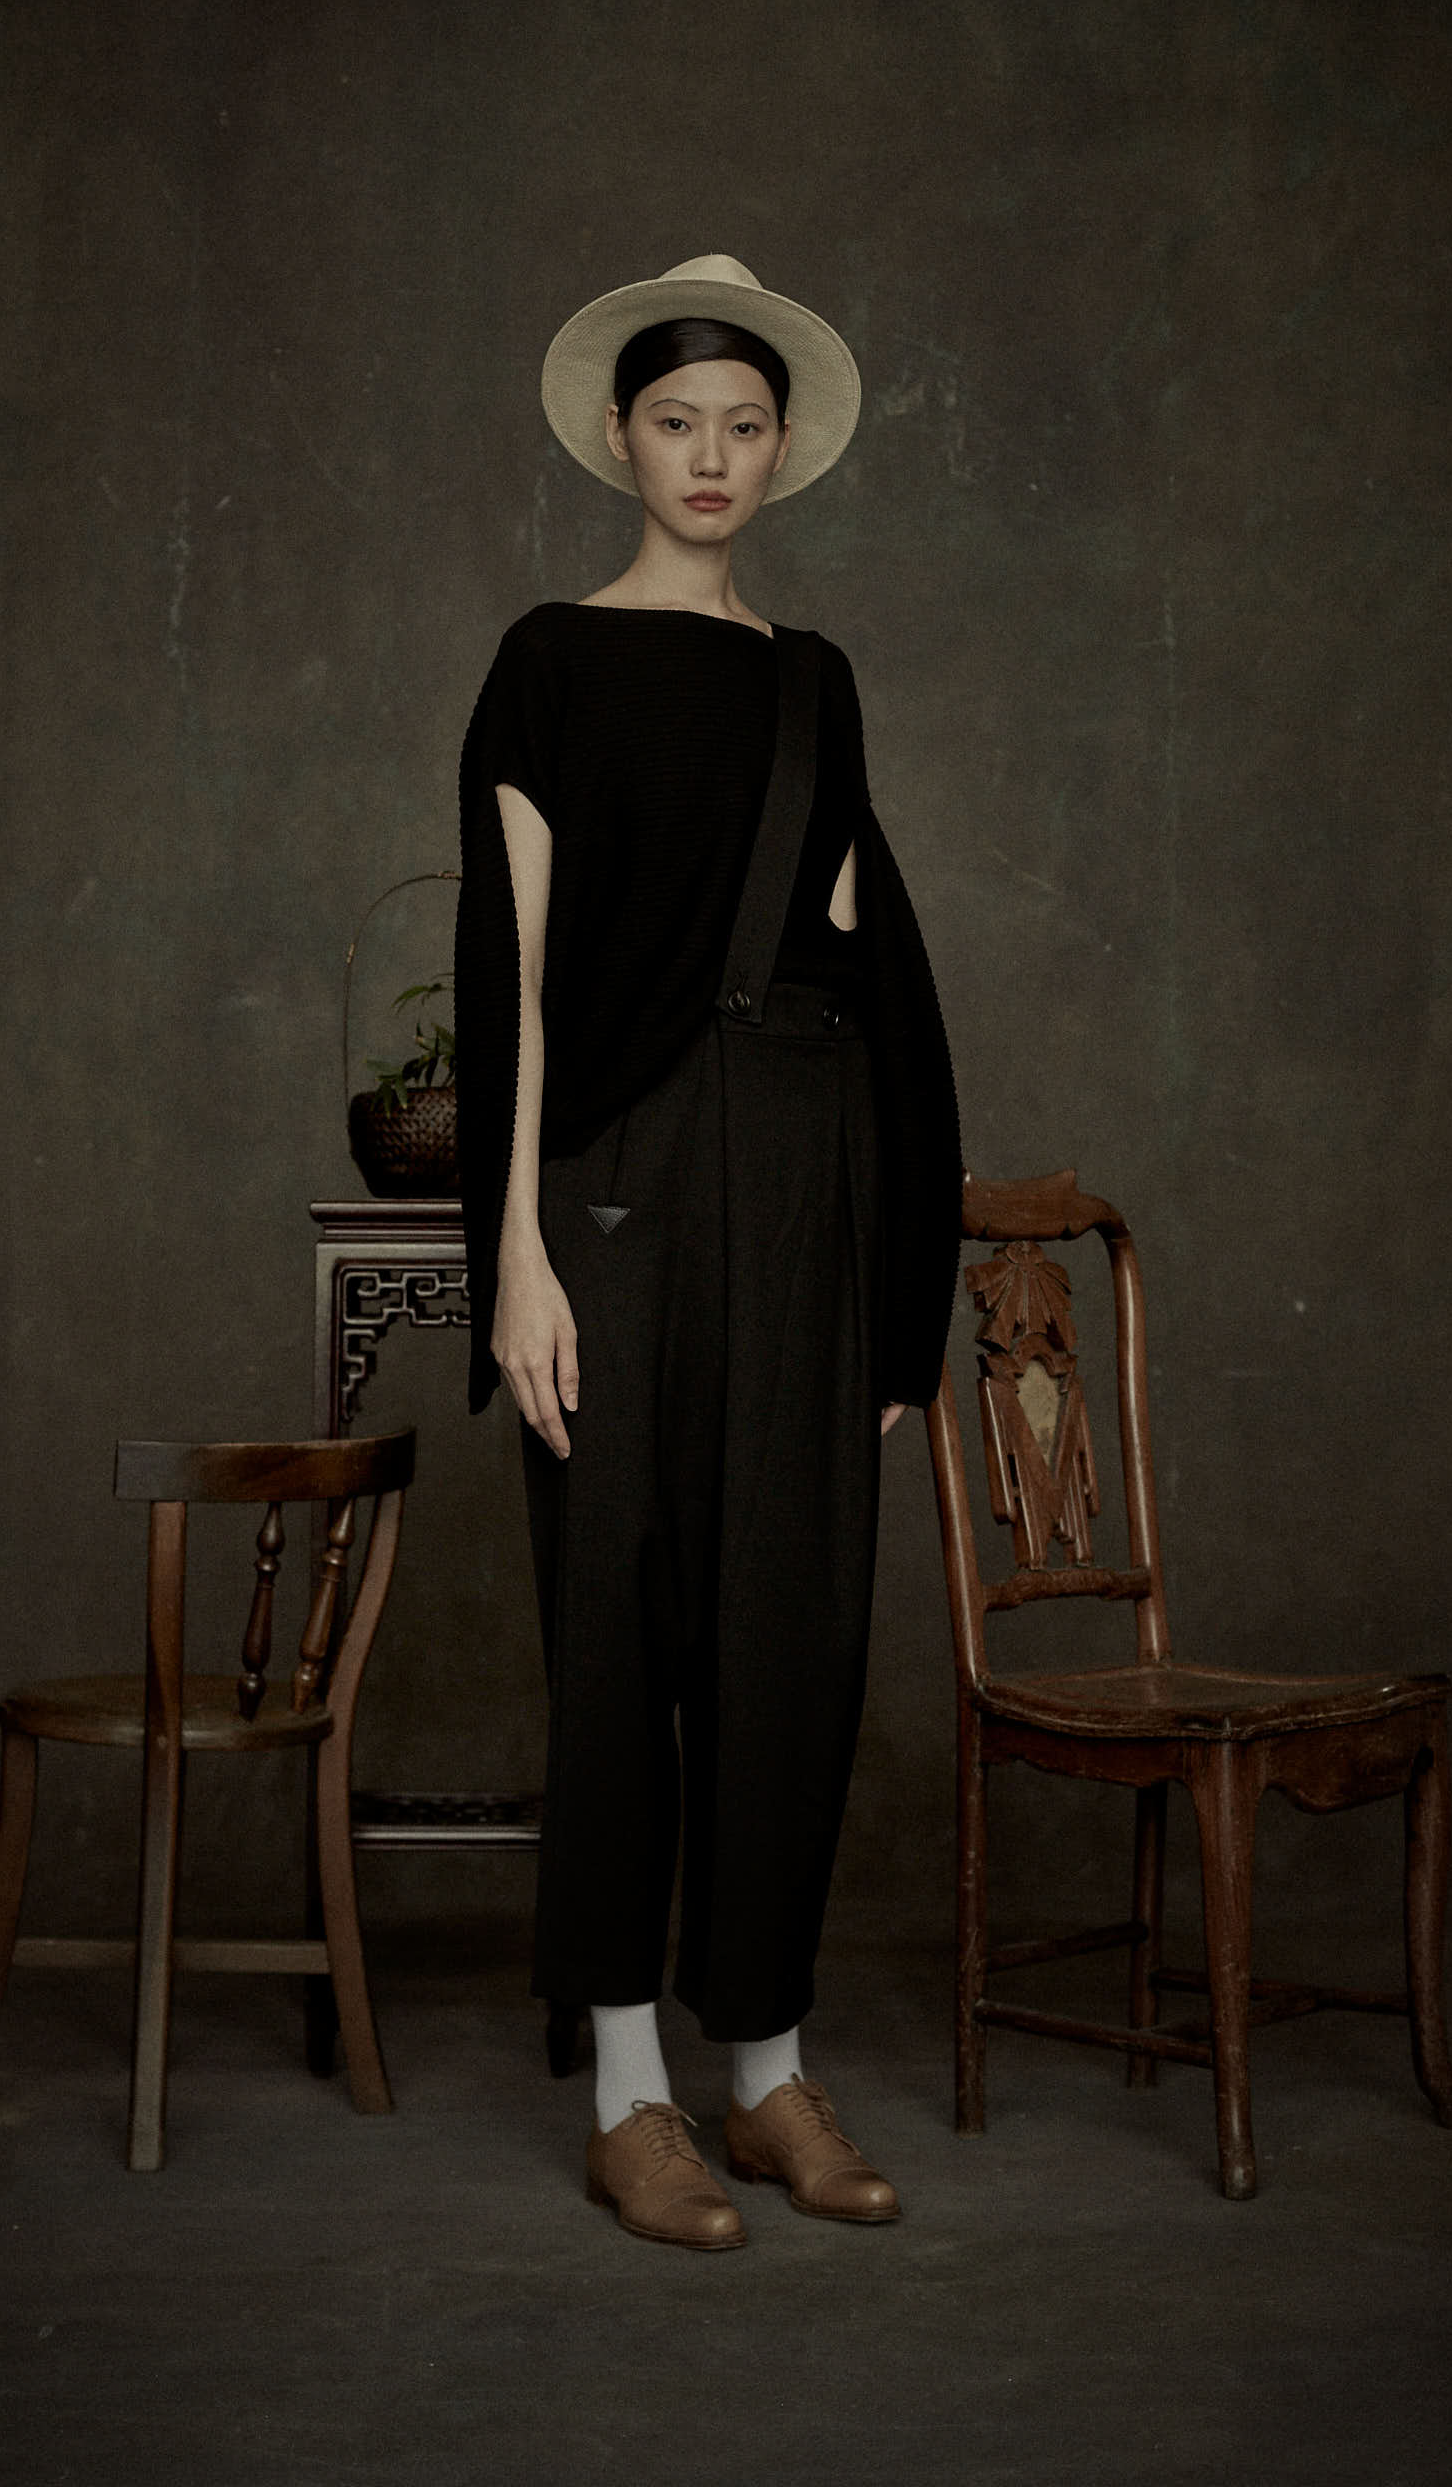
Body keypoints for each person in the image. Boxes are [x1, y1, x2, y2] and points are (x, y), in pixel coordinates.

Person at [453, 254, 961, 2249]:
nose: (712, 457)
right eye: (678, 422)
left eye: (744, 426)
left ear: (782, 449)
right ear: (619, 436)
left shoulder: (812, 682)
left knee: (790, 1629)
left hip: (805, 1183)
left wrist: (892, 1290)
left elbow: (866, 969)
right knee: (616, 1624)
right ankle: (626, 2092)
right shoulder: (548, 663)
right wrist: (513, 1252)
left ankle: (764, 2073)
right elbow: (508, 981)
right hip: (611, 1187)